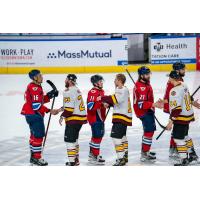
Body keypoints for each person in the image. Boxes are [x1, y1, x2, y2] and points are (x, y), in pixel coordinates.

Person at [21, 69, 59, 166]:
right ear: (35, 78)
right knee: (38, 136)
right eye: (40, 75)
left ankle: (33, 156)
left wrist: (50, 95)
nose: (42, 77)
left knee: (33, 136)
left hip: (29, 114)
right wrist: (50, 110)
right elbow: (36, 106)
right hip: (34, 115)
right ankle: (37, 158)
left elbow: (39, 101)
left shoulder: (33, 86)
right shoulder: (35, 88)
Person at [163, 62, 200, 158]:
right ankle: (178, 149)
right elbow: (170, 99)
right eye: (183, 69)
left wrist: (170, 121)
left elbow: (178, 102)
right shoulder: (179, 83)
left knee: (179, 135)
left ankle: (182, 154)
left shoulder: (178, 84)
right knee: (181, 134)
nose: (185, 71)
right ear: (177, 71)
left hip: (179, 112)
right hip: (180, 111)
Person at [133, 66, 163, 162]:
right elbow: (141, 104)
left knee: (149, 131)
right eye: (146, 74)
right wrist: (154, 104)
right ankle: (145, 153)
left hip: (147, 109)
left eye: (149, 74)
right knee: (149, 131)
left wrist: (152, 105)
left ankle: (145, 151)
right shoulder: (141, 87)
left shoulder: (145, 84)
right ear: (141, 75)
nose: (149, 76)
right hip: (144, 111)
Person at [101, 74, 132, 166]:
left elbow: (114, 99)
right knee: (122, 137)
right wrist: (109, 104)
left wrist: (101, 97)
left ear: (119, 80)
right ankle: (125, 155)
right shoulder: (121, 89)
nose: (114, 81)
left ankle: (121, 158)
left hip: (121, 117)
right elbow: (118, 101)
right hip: (123, 116)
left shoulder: (122, 90)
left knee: (116, 137)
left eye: (115, 80)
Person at [59, 74, 87, 166]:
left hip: (73, 119)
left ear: (70, 81)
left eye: (66, 79)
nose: (65, 81)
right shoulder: (76, 89)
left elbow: (70, 109)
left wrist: (62, 116)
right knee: (74, 140)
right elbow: (72, 104)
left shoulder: (68, 91)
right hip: (80, 119)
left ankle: (72, 162)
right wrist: (59, 110)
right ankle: (76, 160)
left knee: (69, 140)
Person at [87, 75, 108, 165]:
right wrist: (102, 104)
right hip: (94, 117)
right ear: (95, 83)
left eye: (101, 81)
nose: (101, 82)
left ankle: (92, 154)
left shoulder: (101, 91)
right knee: (97, 136)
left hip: (100, 118)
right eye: (100, 81)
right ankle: (95, 156)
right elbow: (90, 106)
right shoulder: (92, 92)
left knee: (98, 135)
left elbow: (101, 103)